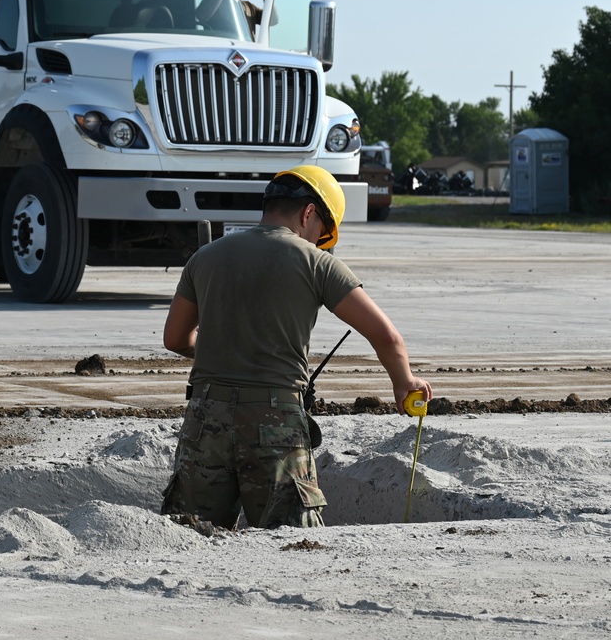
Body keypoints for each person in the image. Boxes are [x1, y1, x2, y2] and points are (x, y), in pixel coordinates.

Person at [160, 165, 433, 529]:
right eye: (321, 232)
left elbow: (175, 339)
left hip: (205, 418)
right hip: (275, 424)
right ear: (309, 213)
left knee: (188, 536)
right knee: (291, 544)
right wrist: (404, 381)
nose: (319, 241)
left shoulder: (205, 257)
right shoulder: (316, 263)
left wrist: (223, 348)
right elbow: (386, 337)